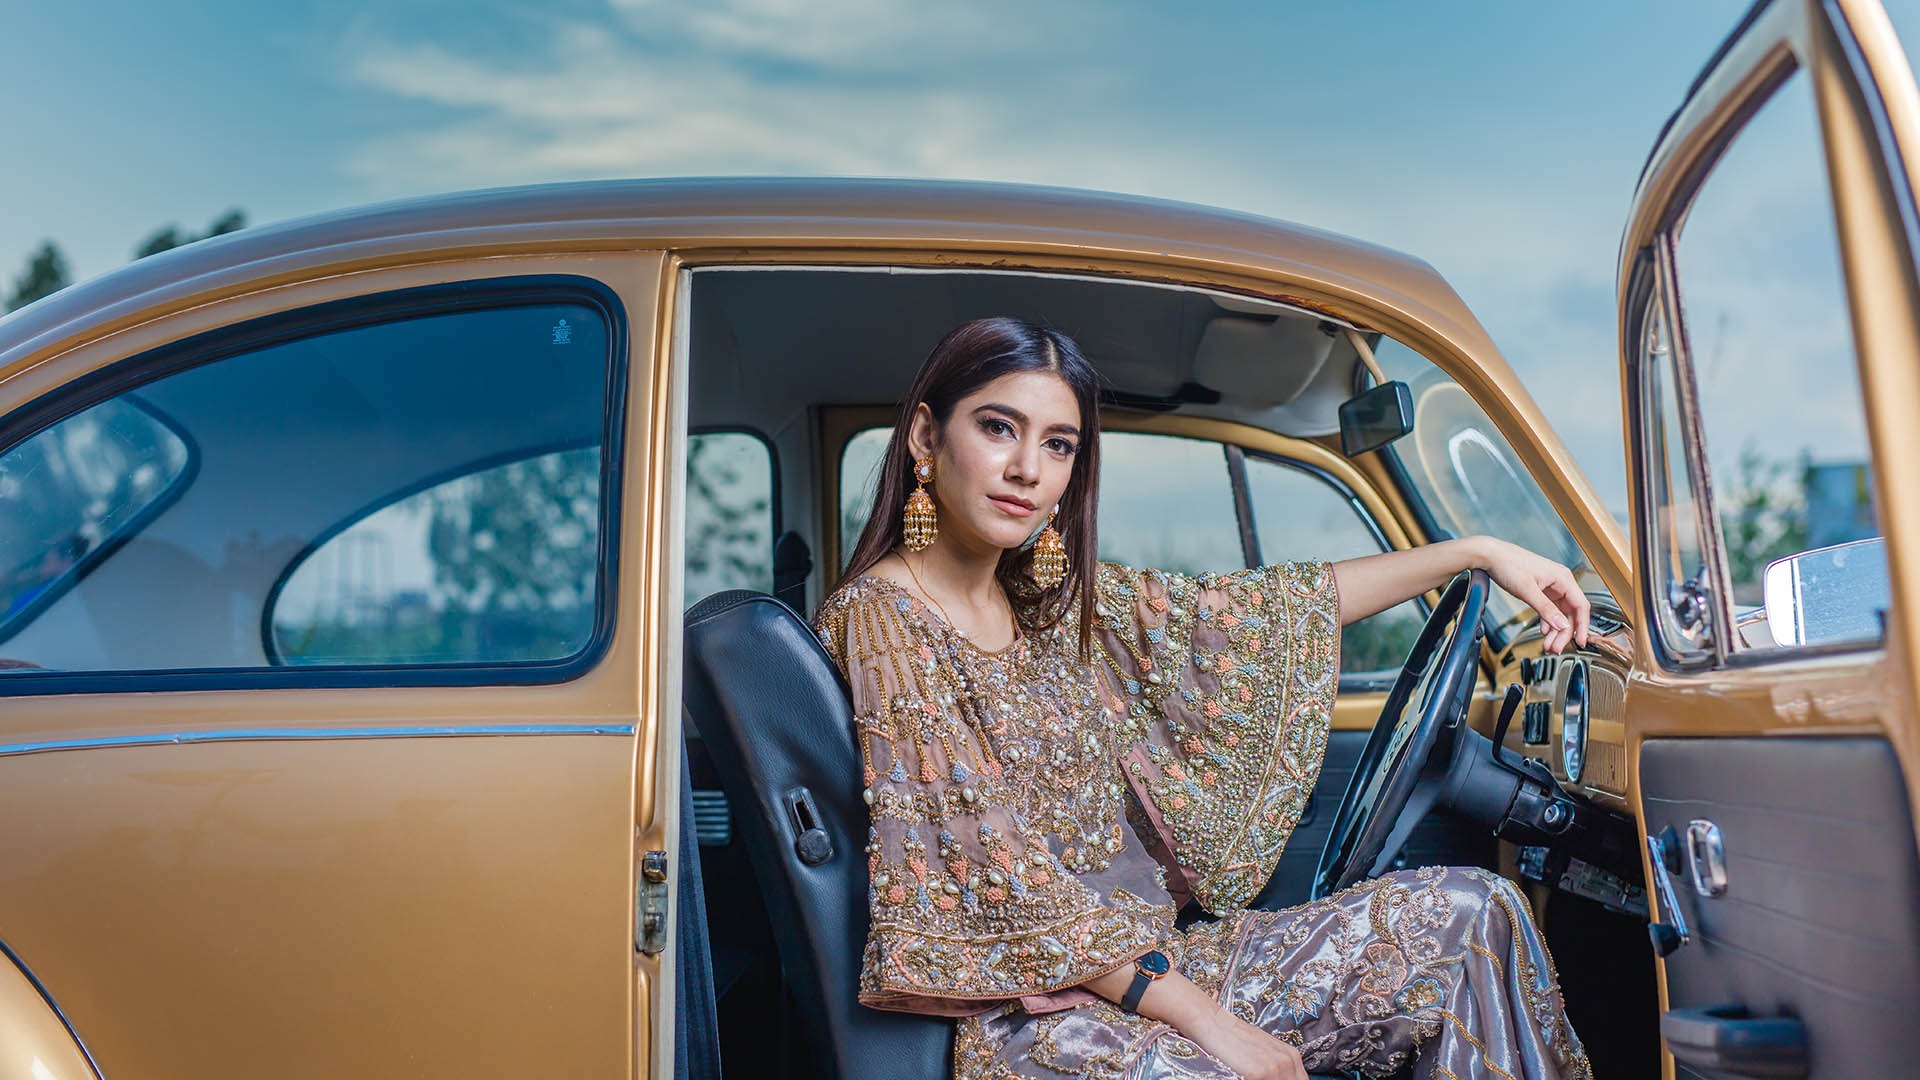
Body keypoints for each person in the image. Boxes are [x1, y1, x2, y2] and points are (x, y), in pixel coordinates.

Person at [814, 317, 1592, 1080]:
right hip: (1028, 1015)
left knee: (1476, 915)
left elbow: (1256, 612)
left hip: (1151, 971)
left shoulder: (1047, 604)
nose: (1028, 469)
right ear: (924, 437)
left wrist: (1473, 554)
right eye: (997, 428)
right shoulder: (882, 618)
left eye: (1058, 445)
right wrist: (1210, 1023)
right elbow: (1000, 870)